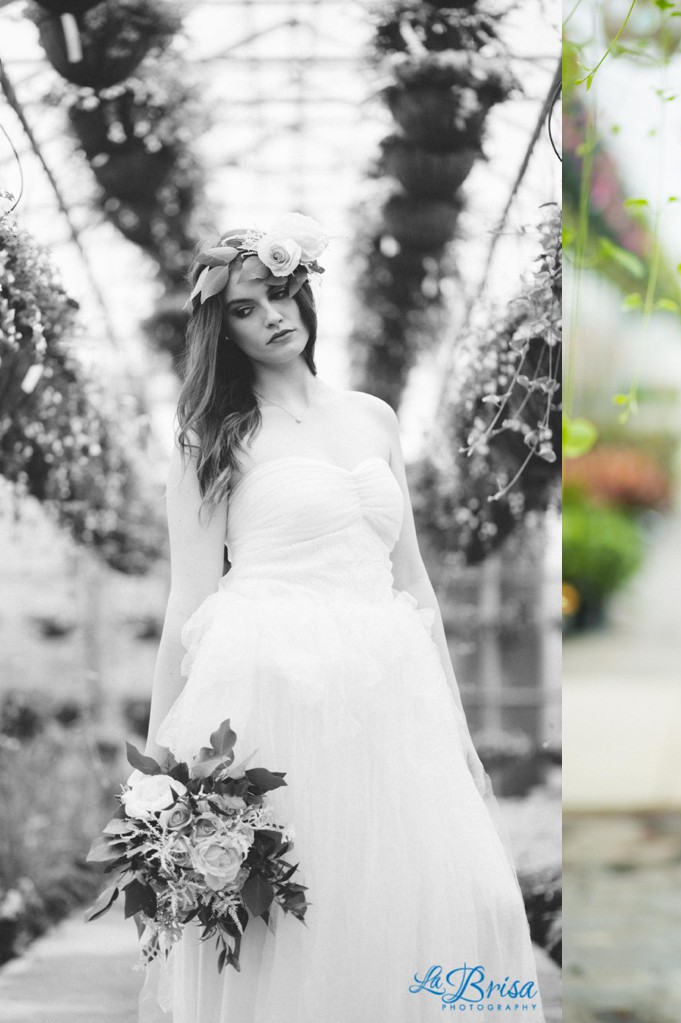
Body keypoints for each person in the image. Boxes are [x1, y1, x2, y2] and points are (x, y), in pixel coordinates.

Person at [137, 214, 544, 1021]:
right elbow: (188, 598)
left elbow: (417, 588)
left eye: (281, 294)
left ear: (306, 292)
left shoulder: (374, 417)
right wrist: (158, 770)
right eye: (245, 310)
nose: (272, 317)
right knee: (297, 915)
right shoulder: (210, 438)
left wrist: (458, 737)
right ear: (223, 330)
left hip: (389, 688)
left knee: (431, 899)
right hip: (273, 688)